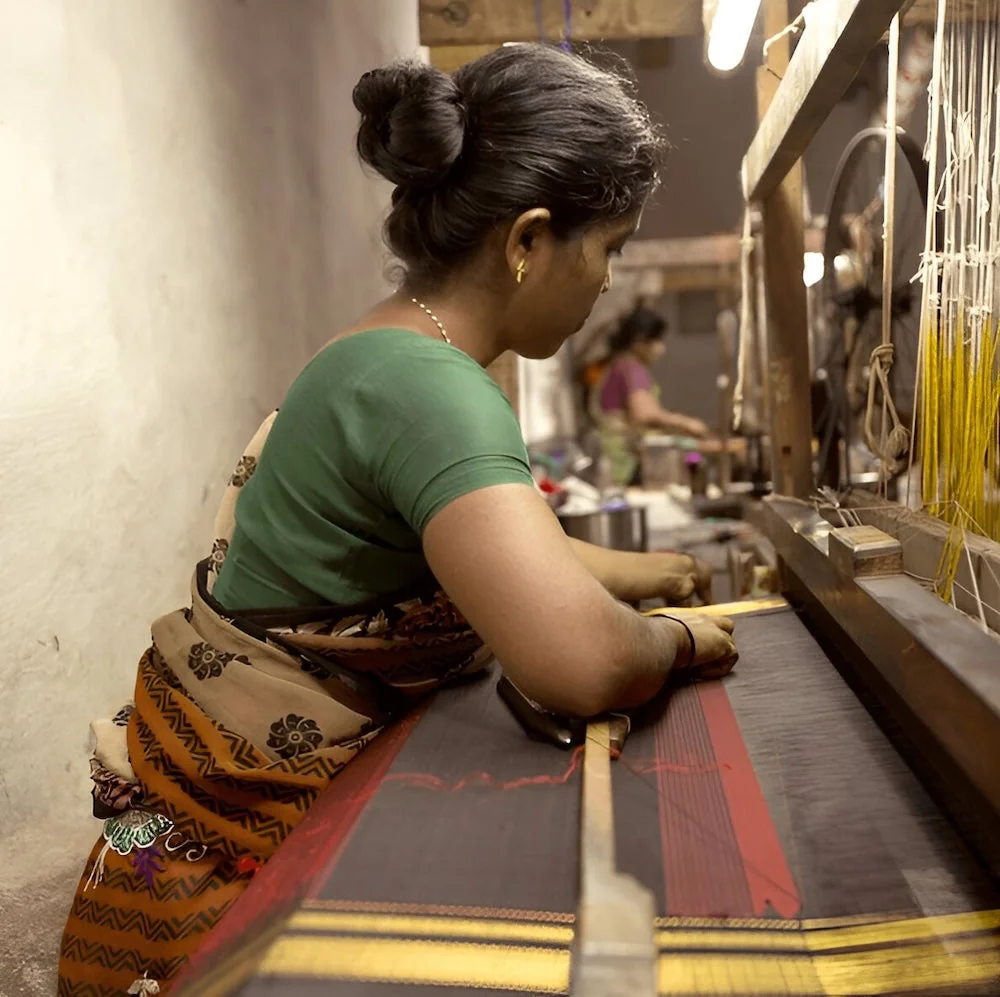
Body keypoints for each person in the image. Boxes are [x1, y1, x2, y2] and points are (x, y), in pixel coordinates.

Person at [58, 44, 738, 996]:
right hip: (223, 848)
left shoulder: (384, 347)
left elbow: (501, 549)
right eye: (610, 249)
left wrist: (653, 574)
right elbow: (581, 664)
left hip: (188, 789)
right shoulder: (435, 390)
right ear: (529, 239)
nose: (606, 285)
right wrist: (674, 640)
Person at [590, 304, 709, 486]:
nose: (660, 347)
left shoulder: (617, 366)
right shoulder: (631, 369)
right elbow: (644, 414)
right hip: (624, 464)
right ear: (640, 342)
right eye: (657, 340)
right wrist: (687, 424)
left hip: (612, 463)